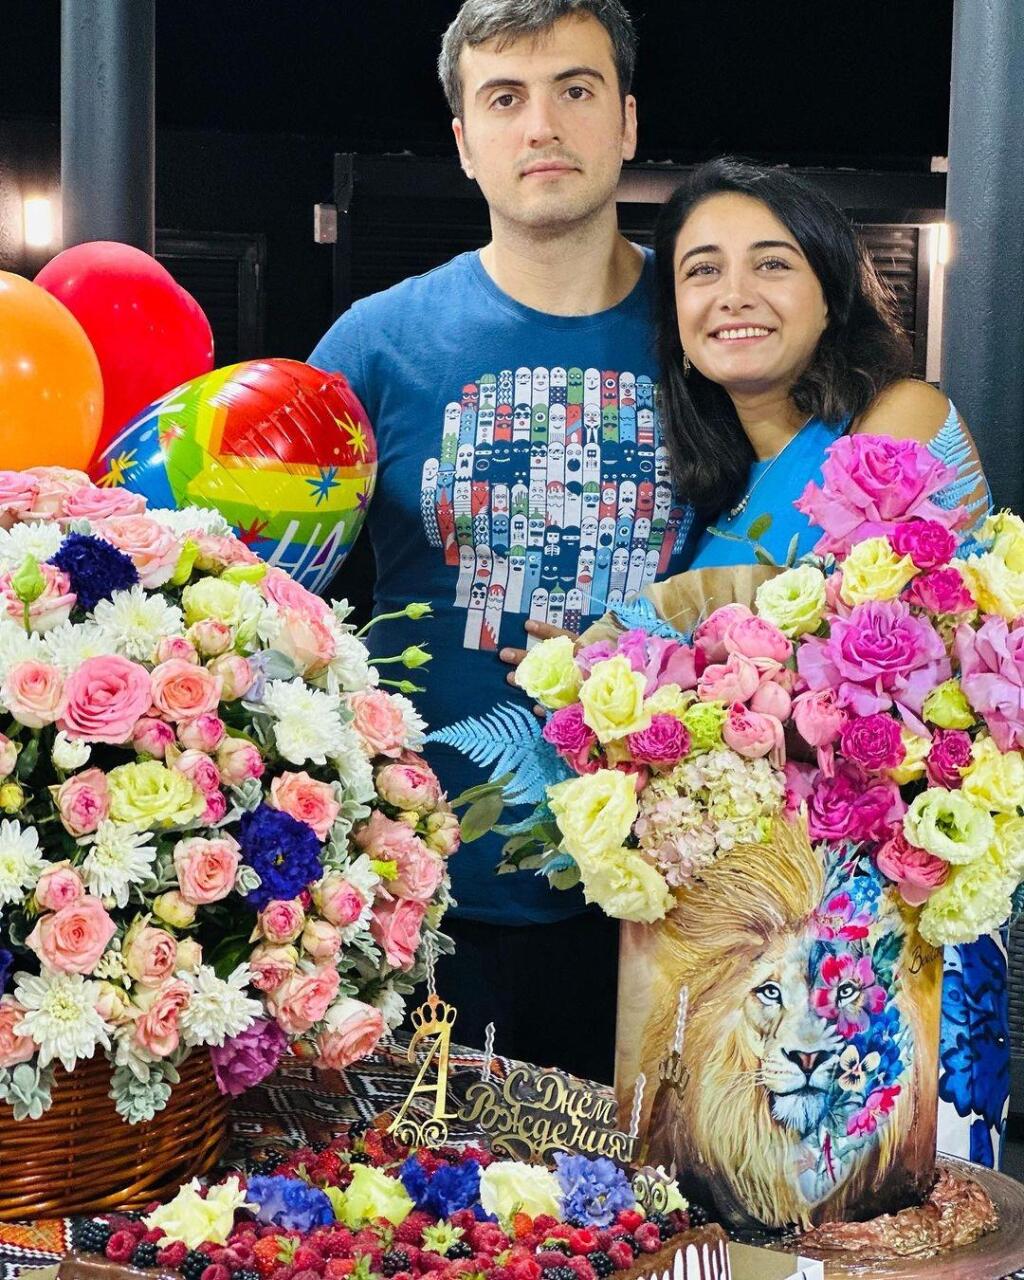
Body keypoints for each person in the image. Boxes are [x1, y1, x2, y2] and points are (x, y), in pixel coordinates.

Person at [309, 0, 693, 1082]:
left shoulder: (712, 330)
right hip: (420, 903)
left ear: (626, 121)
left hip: (673, 899)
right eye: (505, 98)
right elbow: (270, 601)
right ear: (464, 140)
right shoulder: (374, 345)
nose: (542, 126)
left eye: (575, 90)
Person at [650, 156, 1004, 1167]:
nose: (733, 294)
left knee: (904, 1207)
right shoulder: (713, 508)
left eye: (771, 263)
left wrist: (631, 656)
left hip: (900, 903)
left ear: (831, 291)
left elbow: (826, 634)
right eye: (702, 270)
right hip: (769, 939)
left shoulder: (900, 418)